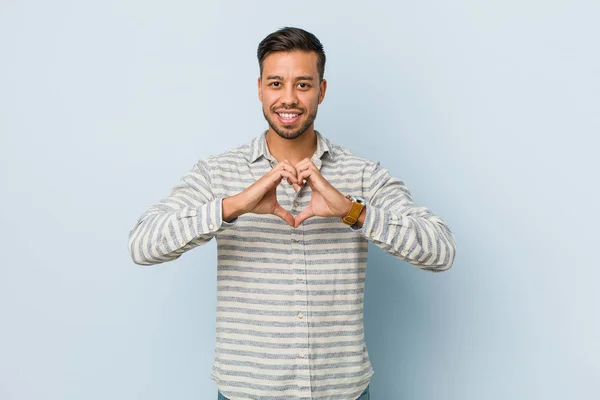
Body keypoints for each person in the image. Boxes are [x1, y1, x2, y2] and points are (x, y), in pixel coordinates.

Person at [128, 26, 456, 400]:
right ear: (259, 89)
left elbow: (441, 251)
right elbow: (143, 244)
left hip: (342, 392)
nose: (288, 99)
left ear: (322, 90)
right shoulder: (217, 173)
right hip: (246, 393)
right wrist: (234, 206)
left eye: (302, 84)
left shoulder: (362, 174)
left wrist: (353, 212)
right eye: (275, 84)